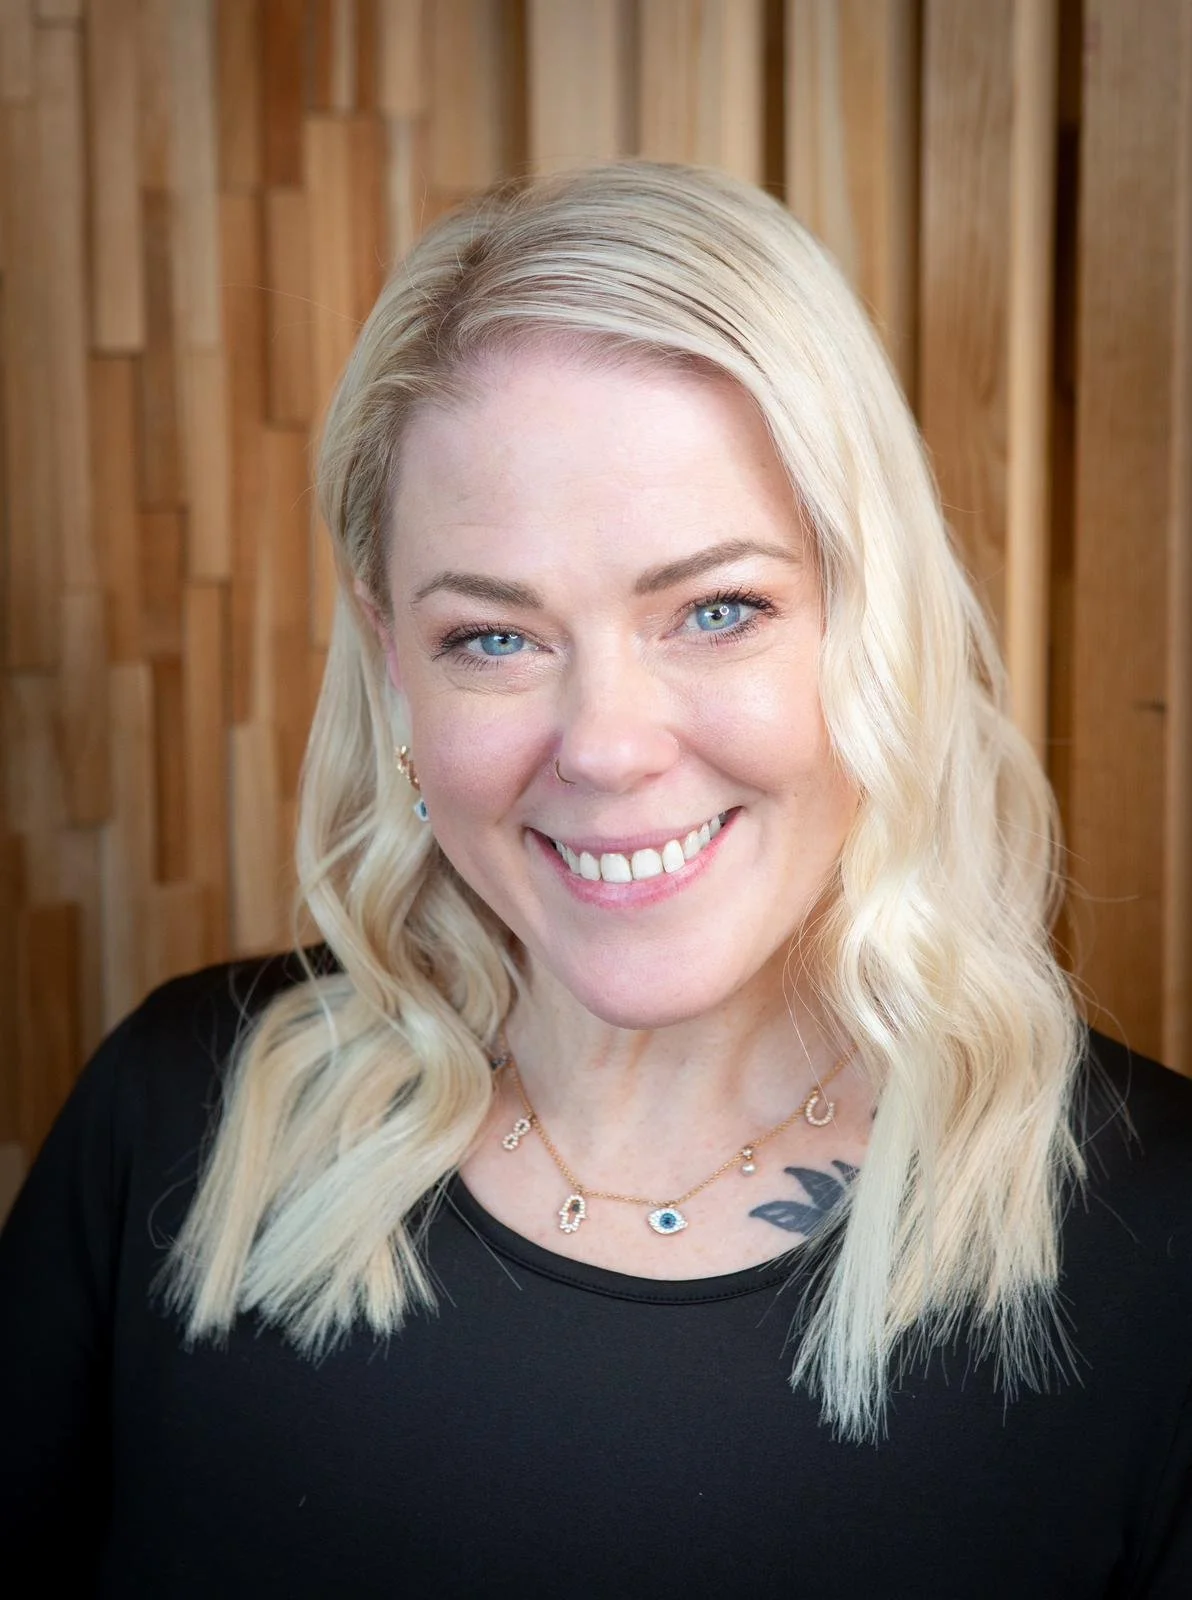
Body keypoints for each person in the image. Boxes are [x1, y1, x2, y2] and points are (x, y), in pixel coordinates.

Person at [2, 160, 1190, 1597]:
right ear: (394, 661)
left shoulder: (1163, 1245)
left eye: (720, 609)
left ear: (878, 626)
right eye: (494, 638)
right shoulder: (175, 1122)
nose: (610, 747)